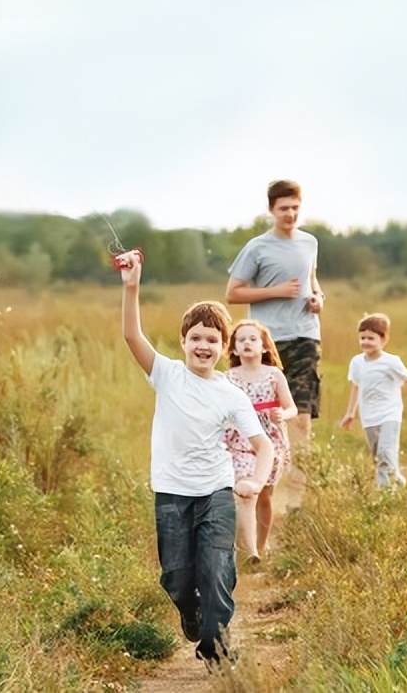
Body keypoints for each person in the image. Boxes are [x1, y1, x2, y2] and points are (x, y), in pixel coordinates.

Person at [117, 249, 274, 665]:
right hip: (170, 492)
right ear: (183, 341)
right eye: (196, 338)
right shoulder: (167, 375)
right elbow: (133, 337)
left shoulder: (231, 394)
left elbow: (264, 446)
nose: (203, 346)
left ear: (226, 348)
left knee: (218, 570)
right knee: (177, 579)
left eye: (212, 340)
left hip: (216, 491)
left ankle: (216, 648)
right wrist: (131, 287)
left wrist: (254, 483)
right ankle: (190, 611)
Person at [225, 180, 325, 448]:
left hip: (306, 336)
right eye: (284, 209)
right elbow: (233, 293)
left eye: (295, 208)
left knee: (301, 417)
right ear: (272, 209)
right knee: (264, 416)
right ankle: (265, 473)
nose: (290, 214)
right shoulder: (257, 248)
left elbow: (311, 279)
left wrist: (318, 298)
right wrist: (276, 291)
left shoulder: (309, 243)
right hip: (267, 341)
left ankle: (298, 489)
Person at [223, 319, 297, 562]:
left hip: (271, 440)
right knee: (246, 493)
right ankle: (250, 552)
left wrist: (282, 414)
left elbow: (291, 408)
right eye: (241, 340)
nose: (247, 343)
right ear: (233, 349)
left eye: (252, 339)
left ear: (264, 347)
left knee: (264, 496)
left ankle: (261, 545)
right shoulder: (228, 378)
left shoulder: (274, 375)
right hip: (240, 441)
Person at [339, 312, 407, 488]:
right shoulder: (357, 363)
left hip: (390, 415)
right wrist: (350, 412)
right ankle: (399, 481)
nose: (365, 342)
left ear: (383, 339)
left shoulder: (391, 362)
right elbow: (356, 387)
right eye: (362, 338)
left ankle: (385, 493)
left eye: (370, 338)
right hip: (369, 417)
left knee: (385, 453)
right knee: (378, 456)